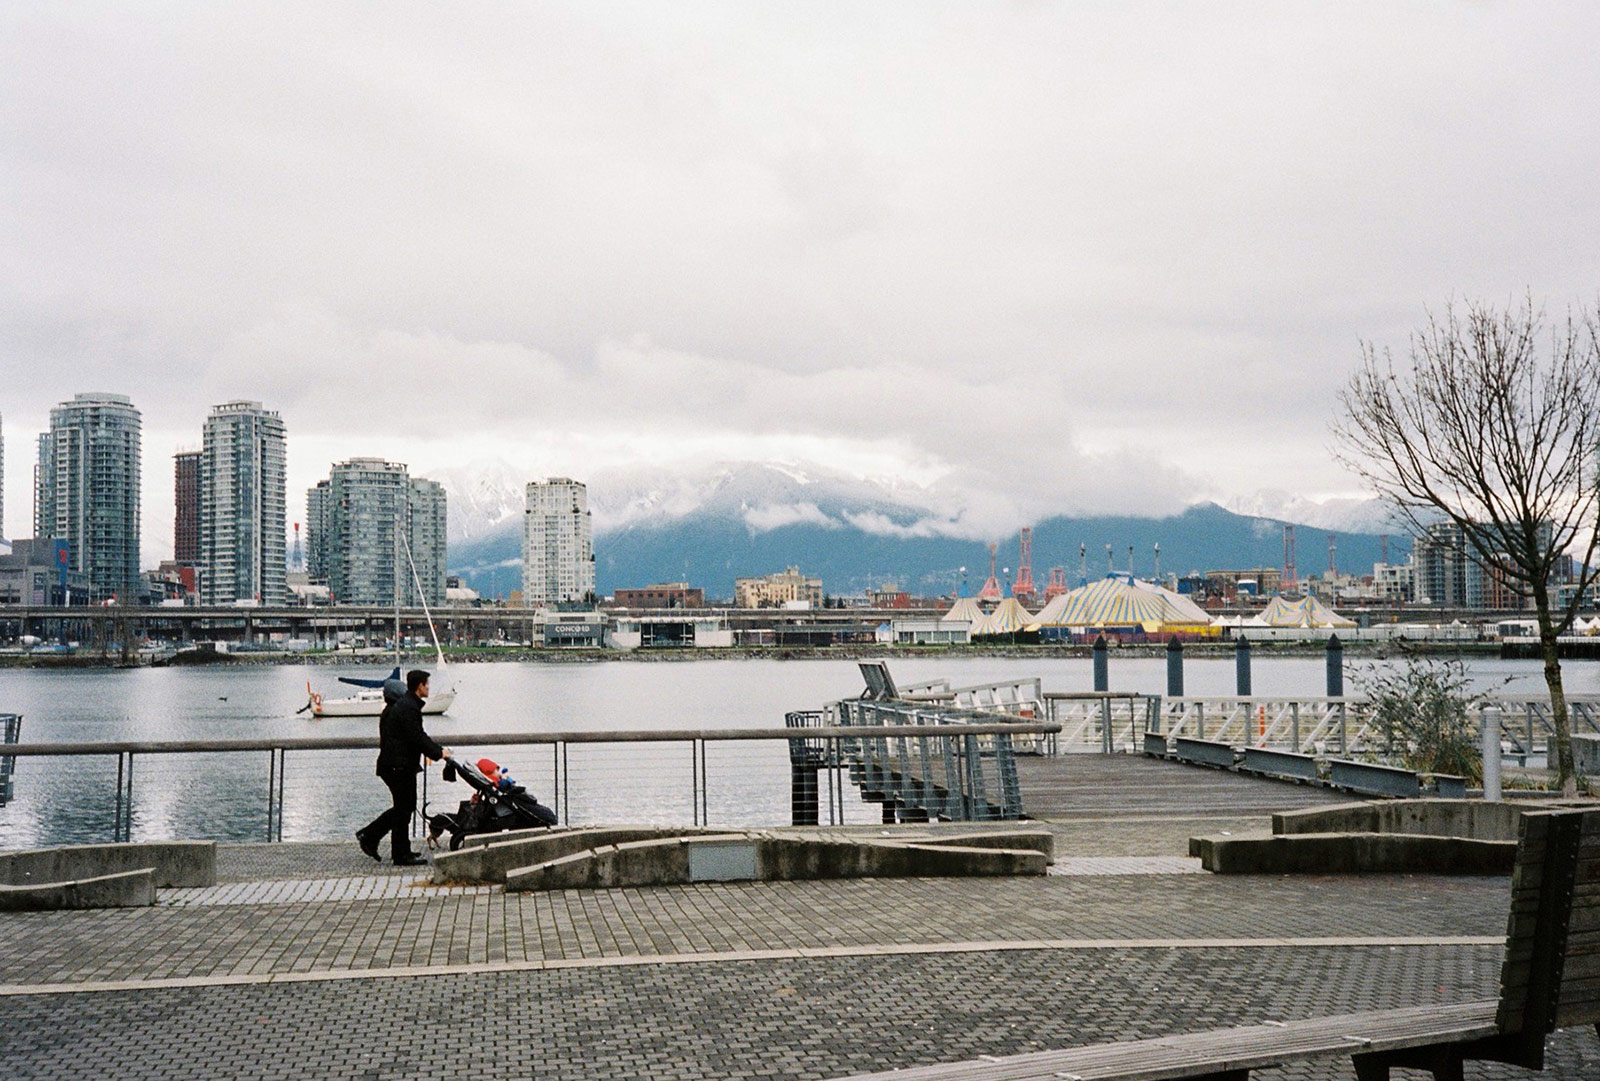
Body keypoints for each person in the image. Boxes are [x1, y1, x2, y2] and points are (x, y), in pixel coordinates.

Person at [356, 669, 451, 866]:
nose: (428, 688)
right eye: (427, 684)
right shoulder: (408, 708)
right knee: (403, 808)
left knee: (404, 808)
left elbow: (415, 736)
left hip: (397, 765)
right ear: (419, 686)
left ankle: (400, 850)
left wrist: (435, 750)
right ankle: (372, 837)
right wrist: (438, 752)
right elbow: (417, 737)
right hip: (398, 766)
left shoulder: (405, 705)